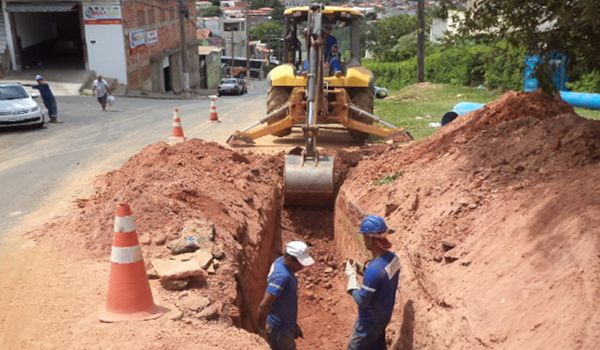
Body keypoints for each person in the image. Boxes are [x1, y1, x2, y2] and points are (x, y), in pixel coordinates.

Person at [345, 215, 401, 350]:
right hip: (384, 315)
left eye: (364, 237)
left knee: (354, 347)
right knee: (377, 345)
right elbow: (382, 280)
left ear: (370, 239)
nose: (363, 241)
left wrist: (351, 278)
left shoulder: (374, 270)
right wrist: (361, 268)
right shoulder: (393, 259)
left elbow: (362, 300)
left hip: (369, 322)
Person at [257, 241, 315, 350]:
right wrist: (261, 330)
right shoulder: (282, 277)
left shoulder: (280, 262)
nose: (302, 267)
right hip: (279, 330)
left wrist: (292, 323)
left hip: (285, 325)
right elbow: (263, 306)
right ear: (289, 258)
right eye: (299, 263)